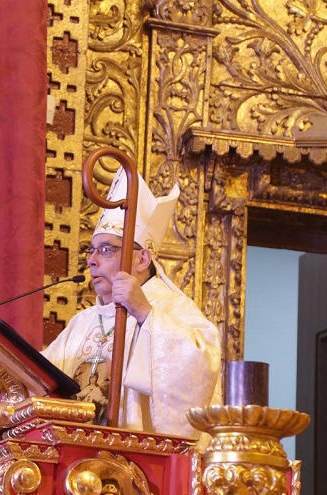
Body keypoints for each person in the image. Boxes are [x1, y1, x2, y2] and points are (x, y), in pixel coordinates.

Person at [43, 167, 222, 439]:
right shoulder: (82, 322)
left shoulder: (173, 309)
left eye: (106, 250)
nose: (91, 260)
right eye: (91, 250)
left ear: (143, 259)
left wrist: (145, 314)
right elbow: (42, 378)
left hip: (138, 455)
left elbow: (201, 366)